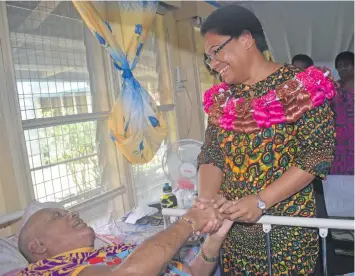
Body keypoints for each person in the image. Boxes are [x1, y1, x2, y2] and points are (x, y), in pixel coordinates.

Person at [197, 4, 336, 275]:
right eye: (208, 58)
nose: (213, 65)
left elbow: (316, 155)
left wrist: (261, 200)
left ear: (246, 39)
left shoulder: (302, 87)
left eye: (216, 52)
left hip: (287, 236)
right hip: (232, 236)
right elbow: (211, 154)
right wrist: (207, 201)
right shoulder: (222, 99)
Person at [18, 205, 233, 276]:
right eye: (57, 216)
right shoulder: (43, 271)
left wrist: (215, 238)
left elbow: (192, 273)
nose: (72, 214)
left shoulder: (116, 253)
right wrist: (189, 221)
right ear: (37, 246)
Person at [330, 51, 354, 176]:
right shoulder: (334, 88)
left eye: (347, 65)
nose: (343, 68)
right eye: (339, 66)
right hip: (338, 140)